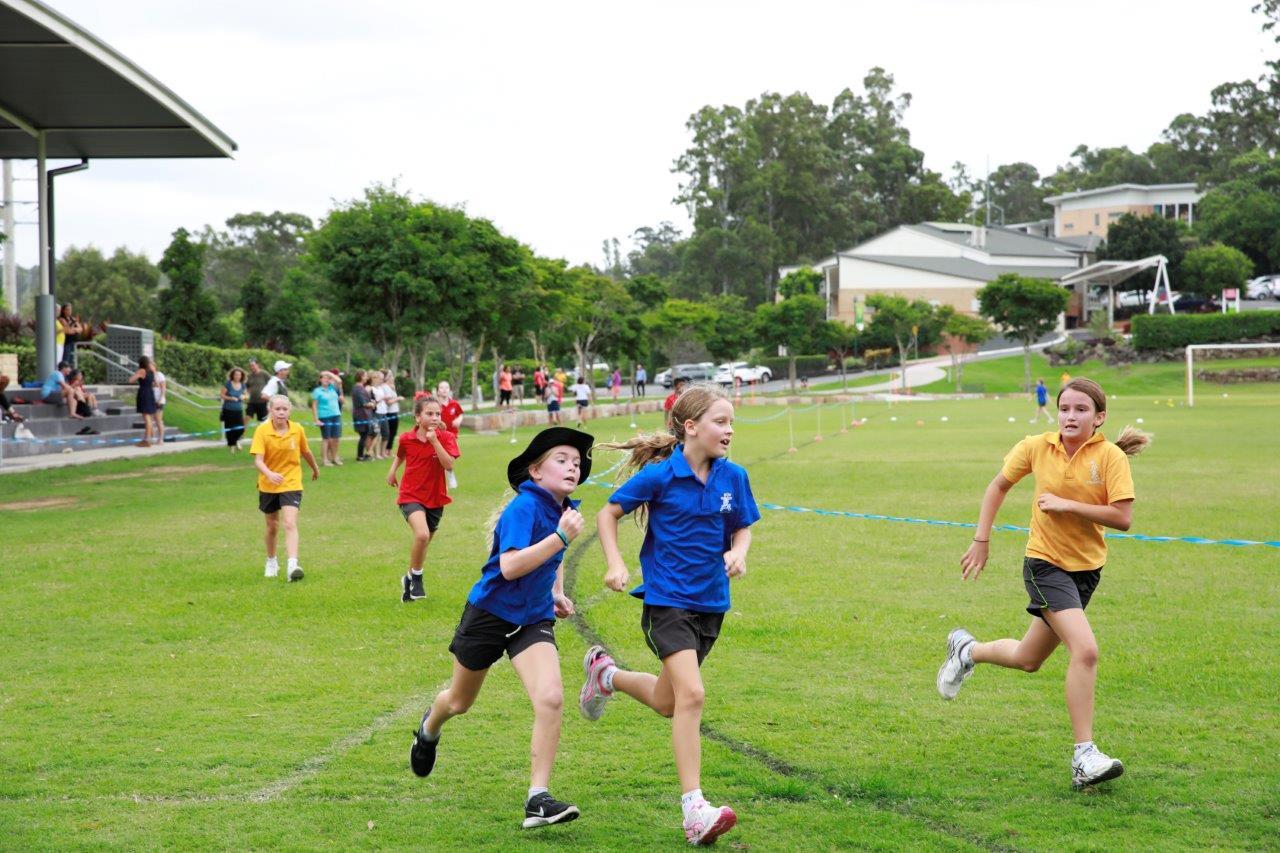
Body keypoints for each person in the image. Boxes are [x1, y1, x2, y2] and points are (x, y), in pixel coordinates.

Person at [937, 377, 1151, 791]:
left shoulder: (1110, 457)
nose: (1070, 416)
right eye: (1065, 408)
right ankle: (1084, 756)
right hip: (1044, 564)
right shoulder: (1036, 446)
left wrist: (1067, 504)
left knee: (1028, 658)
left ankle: (967, 650)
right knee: (1085, 650)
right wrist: (981, 539)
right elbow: (998, 486)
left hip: (1086, 571)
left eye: (1081, 409)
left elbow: (1122, 518)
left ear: (1099, 417)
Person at [579, 383, 758, 846]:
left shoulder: (734, 476)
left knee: (667, 701)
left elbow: (742, 528)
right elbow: (608, 514)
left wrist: (739, 552)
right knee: (692, 695)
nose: (729, 430)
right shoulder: (660, 477)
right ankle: (694, 809)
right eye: (721, 421)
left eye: (732, 422)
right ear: (691, 427)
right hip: (667, 602)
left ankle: (606, 675)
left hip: (711, 604)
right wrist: (615, 563)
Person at [409, 427, 592, 831]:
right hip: (490, 615)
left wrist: (557, 592)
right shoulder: (524, 508)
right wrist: (561, 536)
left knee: (551, 697)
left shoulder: (563, 510)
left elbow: (554, 555)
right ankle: (429, 728)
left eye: (577, 463)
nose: (572, 467)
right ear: (535, 471)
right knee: (459, 702)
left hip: (533, 618)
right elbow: (510, 566)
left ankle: (538, 798)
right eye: (561, 459)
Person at [388, 396, 461, 603]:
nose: (435, 417)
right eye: (429, 413)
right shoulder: (406, 438)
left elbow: (448, 465)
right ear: (418, 417)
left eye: (438, 414)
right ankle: (418, 578)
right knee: (422, 535)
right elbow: (401, 455)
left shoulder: (446, 437)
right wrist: (392, 472)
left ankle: (409, 579)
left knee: (424, 543)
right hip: (410, 494)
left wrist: (434, 440)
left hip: (436, 498)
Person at [250, 394, 320, 582]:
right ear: (270, 410)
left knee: (289, 522)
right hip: (269, 483)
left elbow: (305, 451)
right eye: (277, 409)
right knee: (272, 526)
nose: (281, 412)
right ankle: (271, 561)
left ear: (290, 411)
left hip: (291, 481)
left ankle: (292, 566)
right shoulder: (262, 430)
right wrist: (269, 474)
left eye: (284, 409)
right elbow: (258, 460)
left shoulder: (297, 429)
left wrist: (315, 468)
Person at [309, 372, 344, 466]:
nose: (326, 380)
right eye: (324, 378)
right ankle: (325, 460)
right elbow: (314, 406)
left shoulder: (332, 388)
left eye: (328, 378)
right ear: (320, 379)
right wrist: (316, 419)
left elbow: (339, 381)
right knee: (326, 439)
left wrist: (328, 373)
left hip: (336, 415)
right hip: (324, 416)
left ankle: (334, 457)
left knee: (336, 438)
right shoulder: (317, 391)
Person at [436, 380, 465, 489]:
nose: (444, 390)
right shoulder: (435, 405)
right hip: (438, 436)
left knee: (450, 459)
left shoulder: (454, 404)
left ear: (449, 390)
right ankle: (442, 482)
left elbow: (461, 414)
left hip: (452, 436)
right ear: (438, 391)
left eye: (446, 387)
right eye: (441, 387)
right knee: (439, 459)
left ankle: (450, 473)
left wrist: (458, 420)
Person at [124, 357, 159, 447]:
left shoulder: (142, 371)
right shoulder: (152, 372)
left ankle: (146, 440)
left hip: (144, 393)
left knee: (146, 417)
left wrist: (138, 375)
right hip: (150, 392)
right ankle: (149, 438)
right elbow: (156, 384)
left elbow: (130, 380)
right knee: (150, 417)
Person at [220, 367, 248, 452]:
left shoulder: (243, 385)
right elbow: (222, 395)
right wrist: (230, 398)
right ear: (233, 375)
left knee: (240, 428)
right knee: (229, 428)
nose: (237, 376)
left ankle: (236, 441)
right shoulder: (228, 384)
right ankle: (232, 446)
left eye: (239, 375)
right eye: (236, 375)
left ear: (241, 376)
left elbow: (247, 395)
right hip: (228, 409)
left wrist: (244, 396)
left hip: (238, 410)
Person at [350, 370, 374, 462]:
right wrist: (371, 404)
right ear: (360, 377)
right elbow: (363, 403)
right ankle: (360, 456)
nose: (367, 377)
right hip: (361, 415)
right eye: (365, 375)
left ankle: (362, 455)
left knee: (364, 435)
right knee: (363, 436)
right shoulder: (358, 389)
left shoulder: (359, 388)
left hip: (364, 415)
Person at [380, 370, 404, 455]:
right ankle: (386, 450)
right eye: (391, 376)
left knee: (393, 432)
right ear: (387, 378)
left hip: (394, 412)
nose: (392, 378)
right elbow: (388, 402)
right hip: (390, 412)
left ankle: (389, 450)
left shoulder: (391, 387)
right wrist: (398, 399)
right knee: (389, 432)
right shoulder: (385, 387)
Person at [56, 303, 83, 367]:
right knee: (66, 360)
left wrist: (74, 329)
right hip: (67, 342)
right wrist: (75, 330)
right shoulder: (61, 319)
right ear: (63, 310)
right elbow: (68, 331)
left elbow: (80, 329)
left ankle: (70, 371)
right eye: (67, 310)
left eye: (70, 309)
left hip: (73, 342)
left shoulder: (72, 319)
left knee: (72, 360)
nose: (69, 311)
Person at [152, 364, 168, 444]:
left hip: (159, 400)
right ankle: (152, 437)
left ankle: (161, 438)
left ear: (155, 367)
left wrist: (161, 399)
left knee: (158, 420)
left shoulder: (159, 375)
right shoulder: (148, 376)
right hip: (150, 400)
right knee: (150, 420)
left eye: (151, 366)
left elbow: (163, 388)